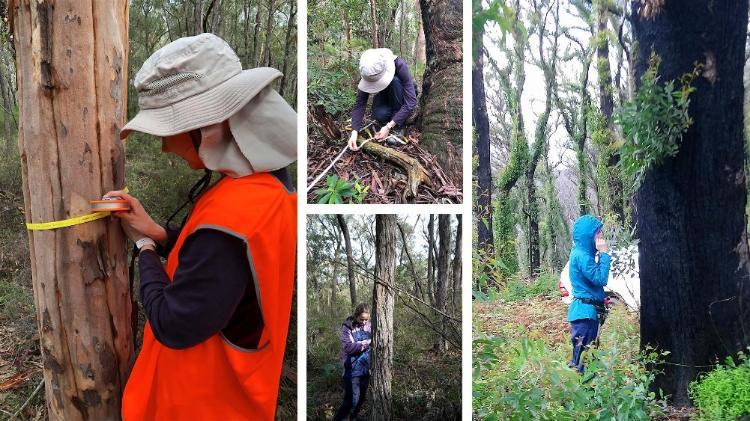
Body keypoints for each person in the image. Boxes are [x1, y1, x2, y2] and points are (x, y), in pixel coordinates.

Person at [107, 33, 297, 420]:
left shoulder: (233, 215)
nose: (164, 147)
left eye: (168, 131)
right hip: (235, 400)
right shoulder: (270, 188)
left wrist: (144, 248)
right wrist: (162, 235)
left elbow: (173, 323)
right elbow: (230, 266)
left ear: (208, 125)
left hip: (194, 405)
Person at [347, 48, 417, 151]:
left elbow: (411, 102)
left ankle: (399, 126)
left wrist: (389, 126)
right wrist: (354, 132)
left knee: (395, 81)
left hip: (401, 96)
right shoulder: (367, 71)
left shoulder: (400, 65)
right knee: (379, 115)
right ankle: (395, 117)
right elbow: (360, 104)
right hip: (386, 97)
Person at [567, 215, 611, 373]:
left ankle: (587, 392)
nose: (601, 237)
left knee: (587, 357)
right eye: (598, 233)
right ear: (589, 236)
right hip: (584, 316)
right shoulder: (582, 256)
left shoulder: (581, 253)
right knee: (583, 362)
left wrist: (600, 300)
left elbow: (590, 284)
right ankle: (583, 393)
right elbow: (600, 278)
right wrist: (604, 254)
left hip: (585, 313)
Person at [334, 303, 372, 421]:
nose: (364, 322)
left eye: (366, 319)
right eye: (361, 319)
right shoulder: (348, 327)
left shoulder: (370, 326)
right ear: (356, 316)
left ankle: (353, 418)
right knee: (351, 400)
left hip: (365, 369)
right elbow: (349, 347)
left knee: (361, 398)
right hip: (352, 369)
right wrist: (367, 344)